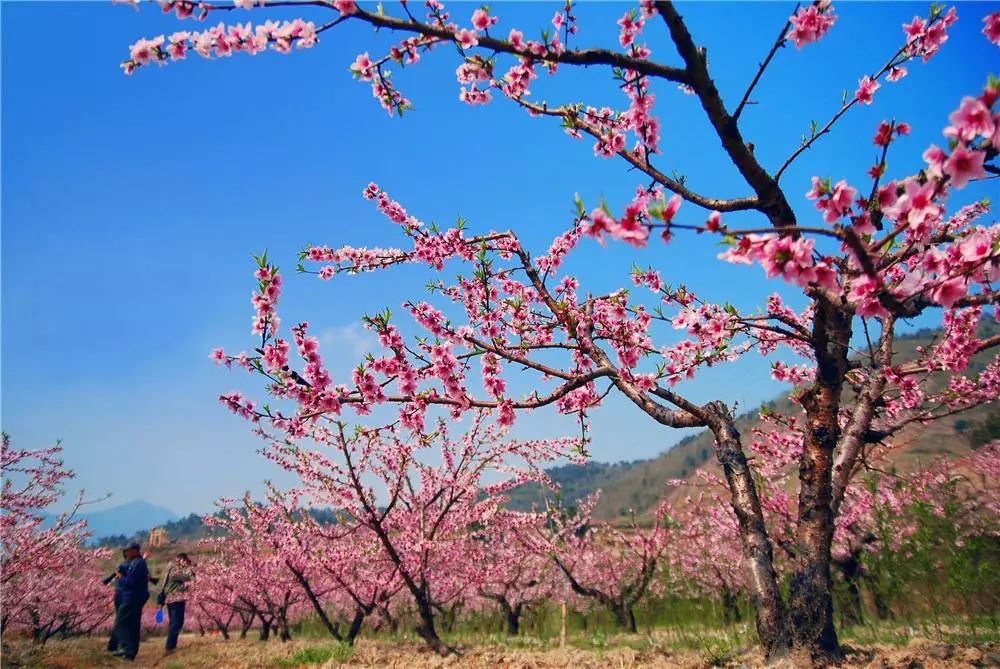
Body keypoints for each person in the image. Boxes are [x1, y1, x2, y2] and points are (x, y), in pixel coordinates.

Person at [112, 543, 149, 662]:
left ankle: (126, 648)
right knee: (132, 624)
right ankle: (130, 653)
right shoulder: (136, 563)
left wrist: (120, 577)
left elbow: (132, 582)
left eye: (128, 551)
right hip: (134, 597)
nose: (126, 553)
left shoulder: (138, 563)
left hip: (132, 597)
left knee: (120, 623)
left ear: (135, 551)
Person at [160, 552, 194, 654]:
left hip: (174, 599)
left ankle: (172, 646)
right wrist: (189, 568)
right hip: (175, 599)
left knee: (174, 622)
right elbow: (190, 578)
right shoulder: (175, 570)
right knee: (176, 622)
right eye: (185, 561)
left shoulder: (172, 568)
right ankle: (169, 647)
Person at [106, 557, 129, 655]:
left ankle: (114, 646)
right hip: (124, 597)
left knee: (119, 621)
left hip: (119, 596)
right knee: (122, 622)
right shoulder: (128, 569)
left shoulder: (121, 573)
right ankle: (119, 646)